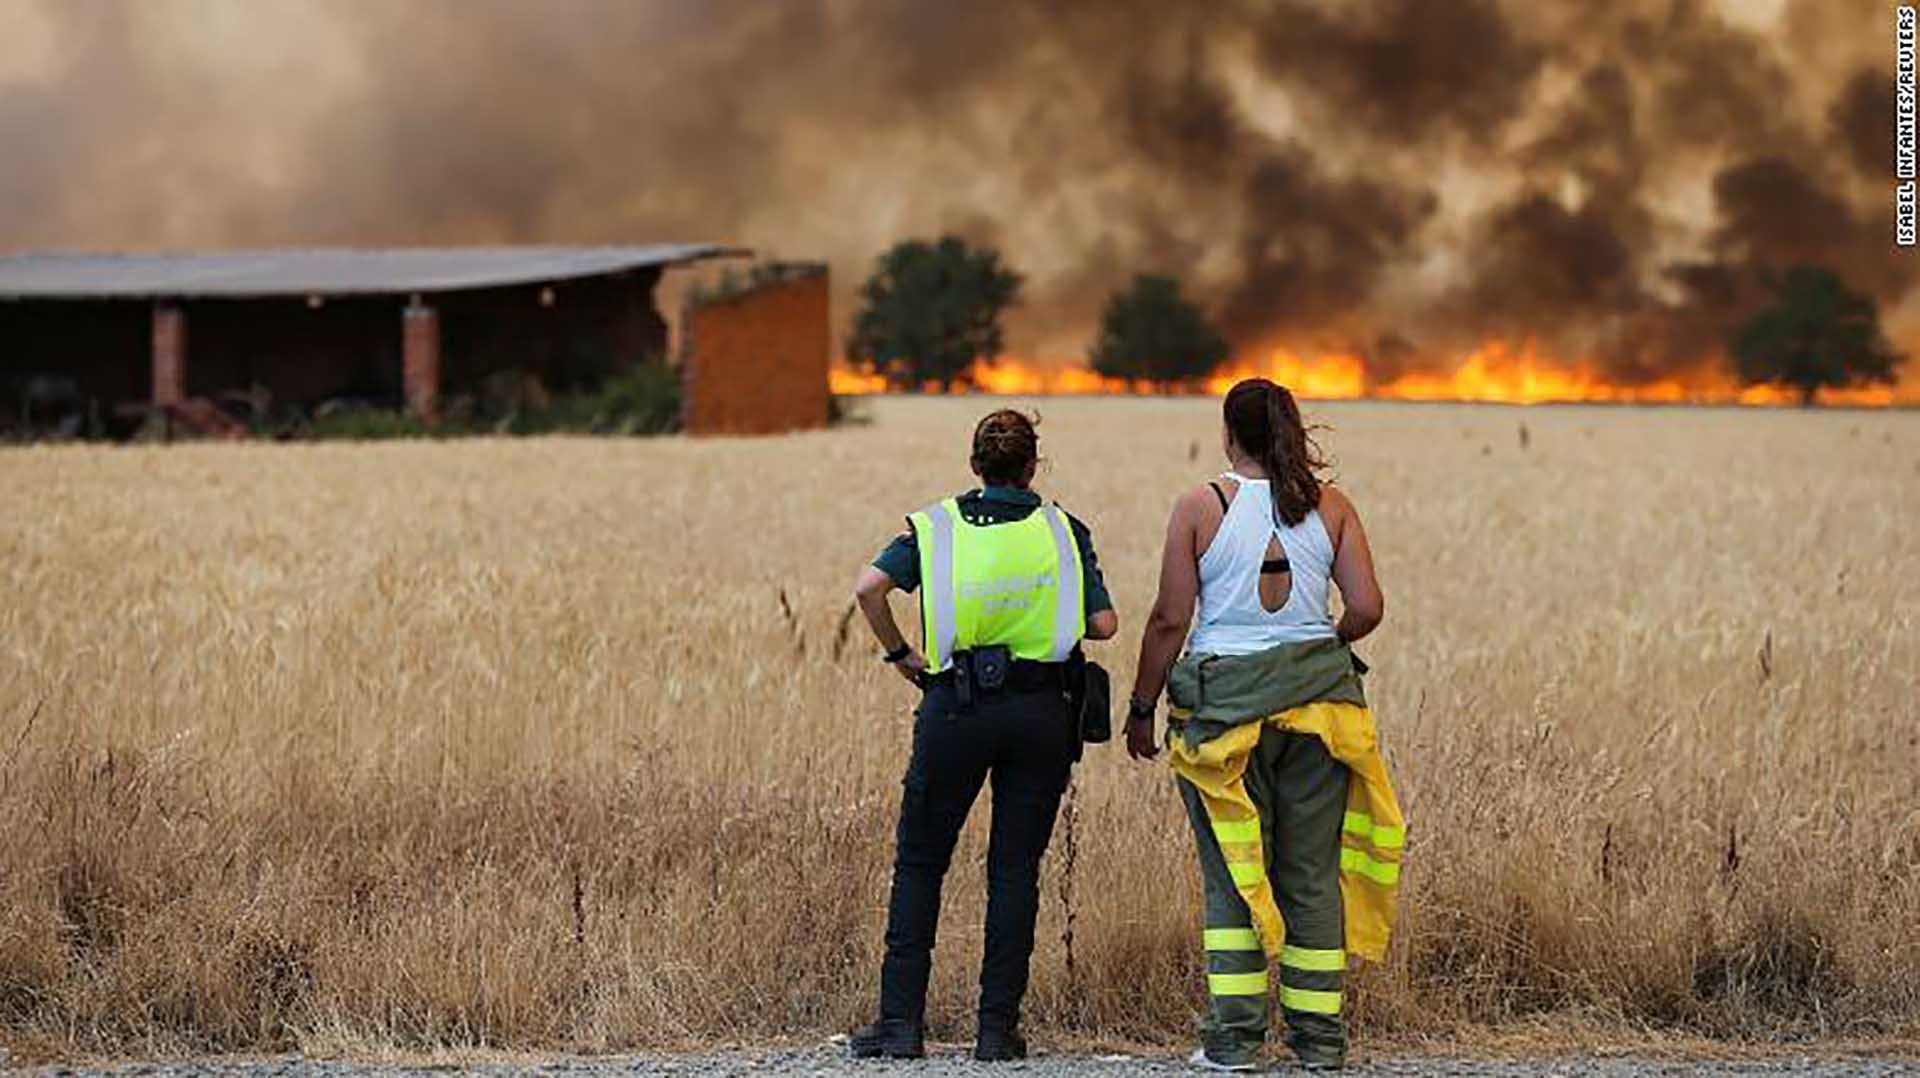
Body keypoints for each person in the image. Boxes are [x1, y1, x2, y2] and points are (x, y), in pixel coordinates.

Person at [1125, 378, 1407, 1072]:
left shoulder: (1200, 506)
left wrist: (1140, 706)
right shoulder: (1332, 508)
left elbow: (1169, 618)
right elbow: (1367, 607)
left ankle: (1234, 1042)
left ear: (1229, 434)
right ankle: (1318, 1044)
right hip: (1321, 714)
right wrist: (1324, 644)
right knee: (1310, 876)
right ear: (1293, 429)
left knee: (1232, 874)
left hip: (1224, 719)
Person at [848, 408, 1119, 1062]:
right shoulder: (1063, 529)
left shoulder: (934, 527)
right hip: (1041, 714)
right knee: (1013, 869)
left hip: (955, 709)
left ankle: (900, 1028)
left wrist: (901, 655)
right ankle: (997, 1033)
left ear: (975, 465)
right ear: (1031, 467)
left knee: (920, 863)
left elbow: (868, 589)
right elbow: (1106, 624)